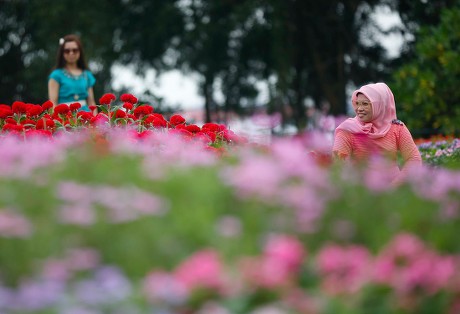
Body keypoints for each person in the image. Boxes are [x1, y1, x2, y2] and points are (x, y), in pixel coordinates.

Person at [332, 82, 422, 184]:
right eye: (357, 103)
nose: (359, 109)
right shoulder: (347, 129)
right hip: (362, 193)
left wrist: (396, 186)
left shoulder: (397, 127)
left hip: (396, 193)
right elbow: (339, 164)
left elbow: (414, 159)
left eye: (365, 104)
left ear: (380, 104)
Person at [48, 34, 96, 113]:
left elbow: (91, 102)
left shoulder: (87, 75)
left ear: (80, 52)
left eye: (75, 50)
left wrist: (96, 123)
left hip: (85, 117)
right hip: (65, 117)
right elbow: (53, 103)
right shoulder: (56, 75)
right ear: (62, 53)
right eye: (67, 51)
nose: (71, 53)